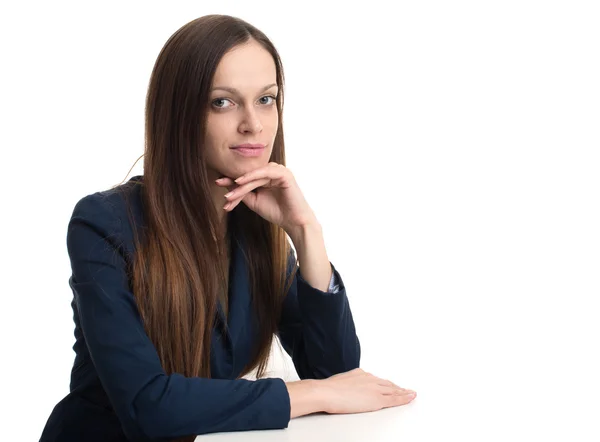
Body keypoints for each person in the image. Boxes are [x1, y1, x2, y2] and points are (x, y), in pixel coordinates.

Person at [39, 14, 416, 442]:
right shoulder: (105, 224)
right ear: (179, 113)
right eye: (223, 101)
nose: (253, 124)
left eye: (266, 99)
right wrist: (307, 394)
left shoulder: (260, 232)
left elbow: (336, 375)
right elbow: (148, 407)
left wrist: (306, 231)